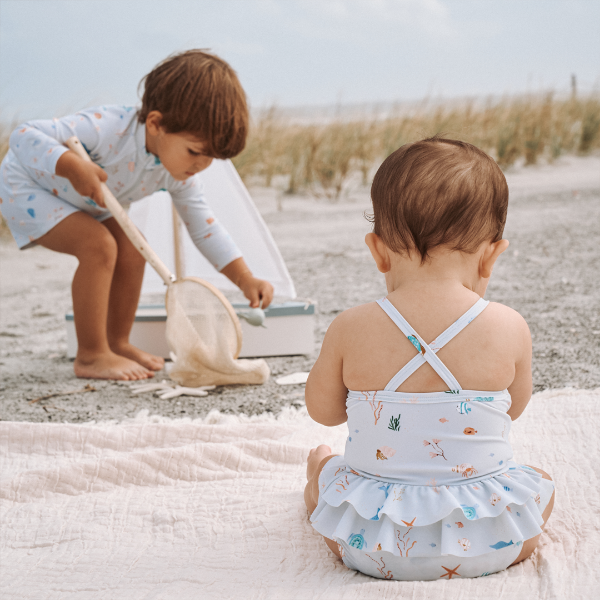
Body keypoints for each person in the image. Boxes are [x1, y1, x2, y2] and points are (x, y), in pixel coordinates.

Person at [303, 137, 555, 581]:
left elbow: (322, 412)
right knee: (537, 481)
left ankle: (317, 477)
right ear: (492, 257)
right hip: (488, 545)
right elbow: (511, 408)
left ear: (378, 251)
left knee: (328, 473)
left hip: (370, 545)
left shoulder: (351, 326)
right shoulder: (509, 325)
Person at [0, 50, 273, 381]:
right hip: (26, 186)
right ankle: (91, 355)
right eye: (195, 152)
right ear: (156, 124)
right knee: (99, 246)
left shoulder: (179, 174)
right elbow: (23, 136)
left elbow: (205, 228)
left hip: (82, 200)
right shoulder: (108, 129)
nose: (201, 165)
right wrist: (70, 166)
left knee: (134, 248)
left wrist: (245, 278)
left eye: (212, 157)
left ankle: (116, 342)